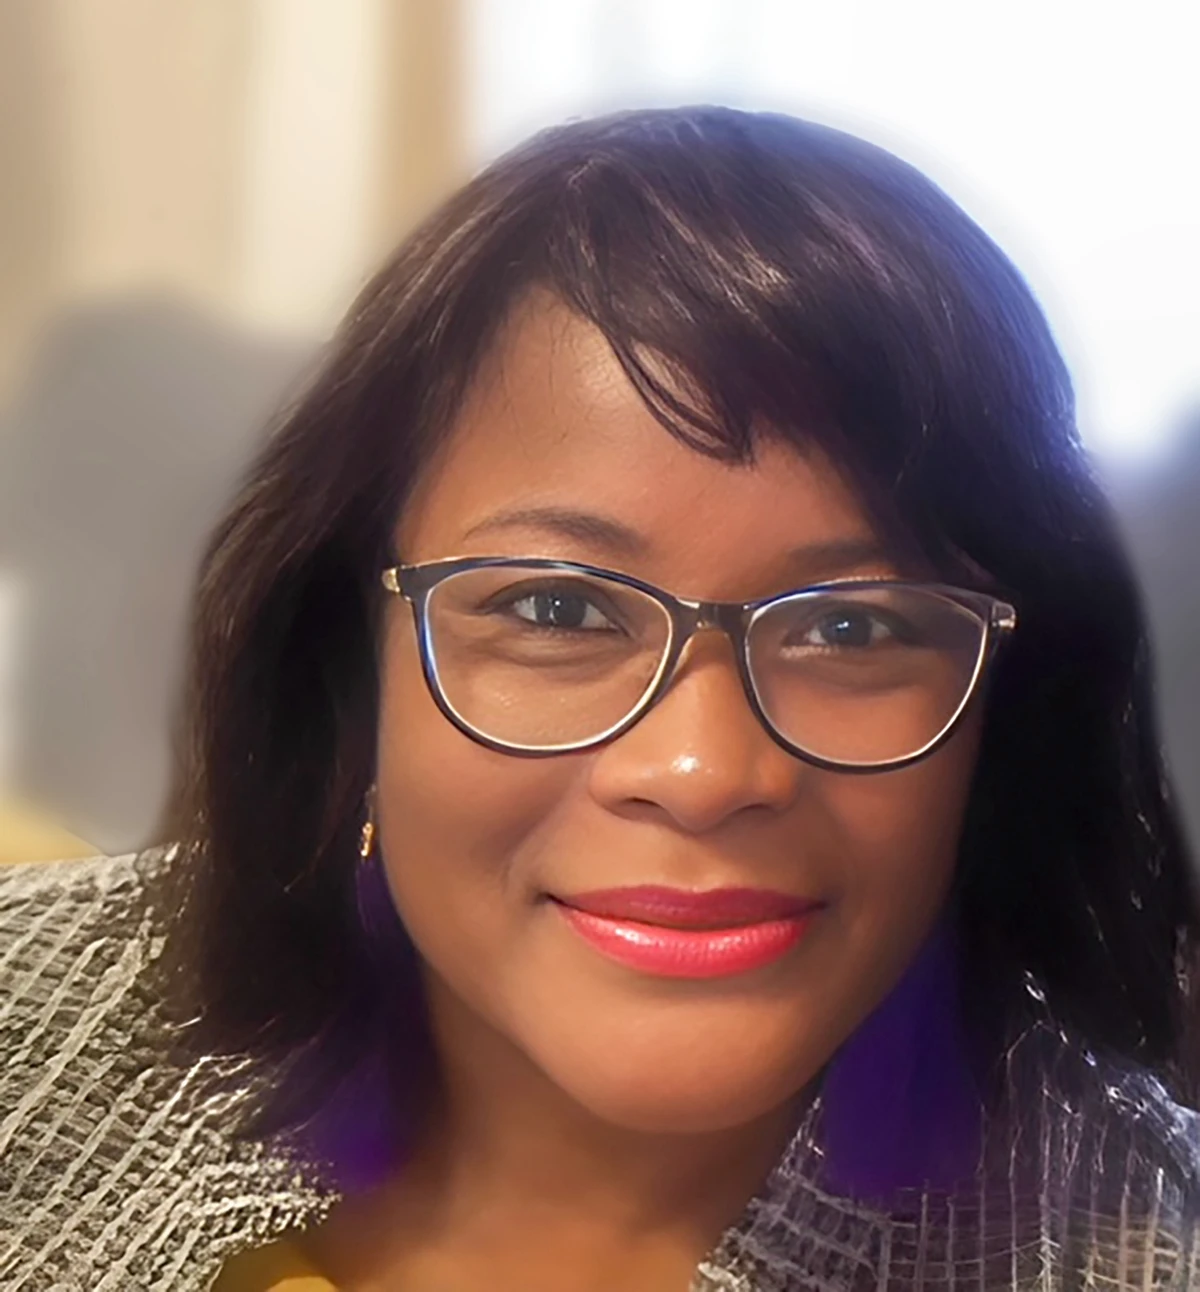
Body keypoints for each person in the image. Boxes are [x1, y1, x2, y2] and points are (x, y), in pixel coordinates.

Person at [2, 106, 1198, 1291]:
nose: (703, 770)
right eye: (559, 611)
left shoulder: (1141, 1240)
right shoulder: (29, 1023)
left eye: (852, 627)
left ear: (1001, 719)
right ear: (351, 669)